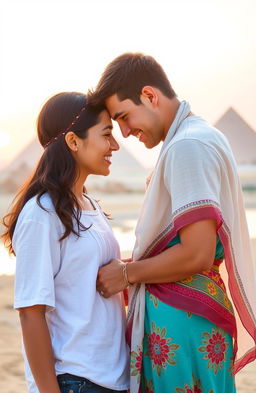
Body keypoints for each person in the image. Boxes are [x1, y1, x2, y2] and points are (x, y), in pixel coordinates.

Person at [93, 53, 256, 393]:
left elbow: (195, 253)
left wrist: (126, 274)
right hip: (190, 319)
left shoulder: (187, 146)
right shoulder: (198, 136)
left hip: (183, 325)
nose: (124, 132)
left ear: (150, 96)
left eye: (124, 117)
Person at [2, 92, 130, 393]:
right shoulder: (41, 214)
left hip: (112, 378)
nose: (115, 145)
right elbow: (30, 312)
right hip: (75, 380)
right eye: (106, 134)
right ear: (73, 141)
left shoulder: (89, 205)